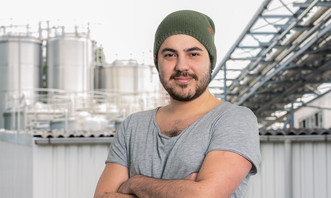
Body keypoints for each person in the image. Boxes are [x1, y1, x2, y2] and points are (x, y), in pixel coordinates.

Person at [94, 10, 261, 198]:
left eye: (193, 54)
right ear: (157, 62)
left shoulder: (234, 119)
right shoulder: (132, 126)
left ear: (210, 61)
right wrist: (181, 190)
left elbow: (204, 196)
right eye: (170, 55)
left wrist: (135, 183)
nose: (181, 66)